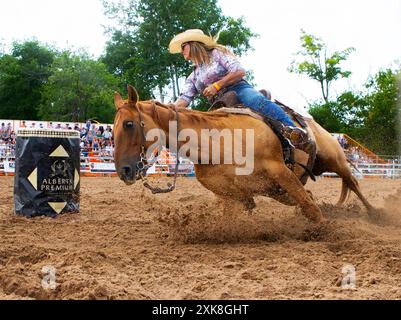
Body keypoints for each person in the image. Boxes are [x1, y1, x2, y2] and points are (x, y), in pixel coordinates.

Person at [169, 29, 309, 148]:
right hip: (218, 103)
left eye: (183, 47)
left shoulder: (217, 54)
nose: (181, 51)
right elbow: (184, 99)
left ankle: (295, 132)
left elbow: (239, 71)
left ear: (194, 44)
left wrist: (217, 85)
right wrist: (168, 109)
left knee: (256, 100)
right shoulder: (193, 76)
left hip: (238, 89)